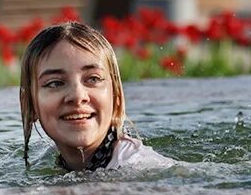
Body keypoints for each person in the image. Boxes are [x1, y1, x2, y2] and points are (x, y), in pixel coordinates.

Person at [19, 21, 174, 171]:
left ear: (117, 96)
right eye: (55, 83)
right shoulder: (46, 160)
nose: (78, 96)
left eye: (93, 79)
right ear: (30, 104)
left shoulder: (140, 167)